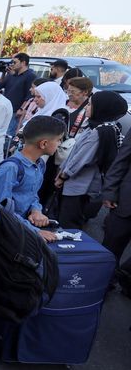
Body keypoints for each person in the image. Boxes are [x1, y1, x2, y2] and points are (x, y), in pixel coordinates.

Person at [55, 91, 129, 229]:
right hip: (82, 186)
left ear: (102, 108)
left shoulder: (100, 131)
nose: (86, 108)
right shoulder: (102, 127)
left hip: (80, 187)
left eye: (89, 105)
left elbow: (81, 158)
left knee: (68, 225)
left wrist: (63, 176)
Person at [0, 115, 66, 243]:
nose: (60, 144)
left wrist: (35, 210)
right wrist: (35, 231)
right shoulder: (10, 169)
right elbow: (2, 211)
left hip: (22, 230)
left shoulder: (40, 164)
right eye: (58, 140)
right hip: (5, 235)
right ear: (44, 143)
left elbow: (32, 194)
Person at [102, 132, 131, 295]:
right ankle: (104, 282)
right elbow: (121, 161)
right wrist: (110, 191)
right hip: (126, 203)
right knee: (111, 248)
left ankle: (126, 279)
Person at [0, 53, 36, 138]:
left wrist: (22, 109)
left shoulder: (30, 76)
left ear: (23, 63)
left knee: (8, 134)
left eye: (15, 62)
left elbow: (29, 95)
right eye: (12, 62)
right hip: (4, 109)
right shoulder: (12, 75)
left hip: (16, 111)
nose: (12, 64)